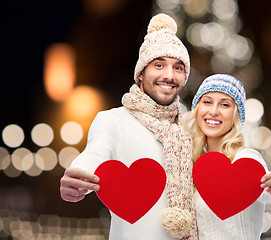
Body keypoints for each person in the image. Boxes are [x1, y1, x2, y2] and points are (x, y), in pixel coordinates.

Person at [59, 13, 198, 240]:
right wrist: (76, 177)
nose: (169, 75)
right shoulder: (113, 121)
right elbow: (95, 153)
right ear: (141, 74)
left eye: (178, 68)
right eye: (159, 65)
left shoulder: (191, 127)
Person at [186, 74, 271, 240]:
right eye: (207, 102)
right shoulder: (193, 165)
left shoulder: (245, 159)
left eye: (225, 104)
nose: (213, 111)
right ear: (197, 109)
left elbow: (265, 191)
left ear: (236, 115)